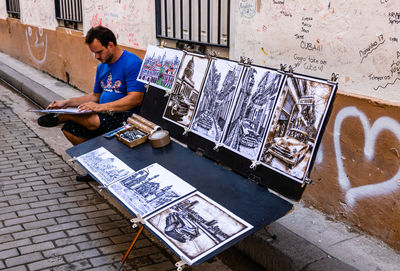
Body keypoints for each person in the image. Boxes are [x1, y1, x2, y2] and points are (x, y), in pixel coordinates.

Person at [37, 26, 145, 182]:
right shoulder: (102, 66)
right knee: (70, 130)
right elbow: (95, 96)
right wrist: (66, 102)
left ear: (110, 45)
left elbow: (135, 99)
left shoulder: (132, 63)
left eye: (99, 52)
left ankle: (64, 116)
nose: (96, 56)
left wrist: (100, 107)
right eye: (94, 52)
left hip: (126, 117)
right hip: (104, 113)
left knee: (93, 121)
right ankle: (97, 169)